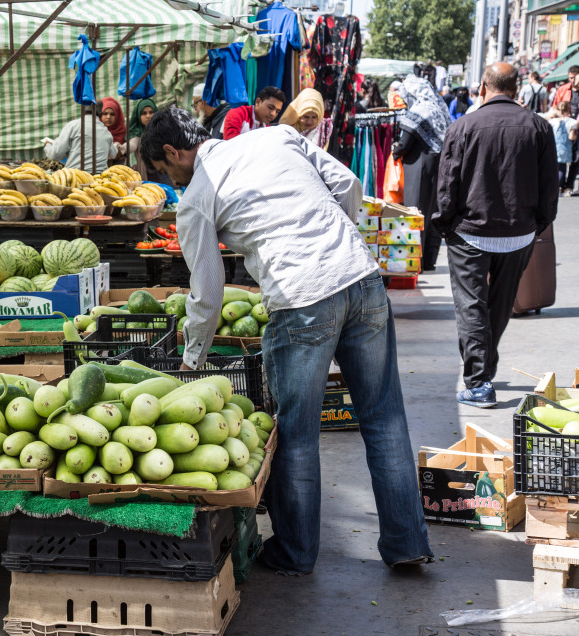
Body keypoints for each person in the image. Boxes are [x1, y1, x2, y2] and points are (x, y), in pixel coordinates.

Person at [140, 107, 433, 574]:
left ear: (174, 152)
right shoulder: (275, 137)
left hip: (301, 300)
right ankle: (407, 543)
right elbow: (348, 186)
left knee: (296, 434)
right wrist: (332, 240)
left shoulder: (197, 196)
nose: (170, 179)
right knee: (384, 417)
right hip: (361, 277)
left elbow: (207, 289)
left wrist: (192, 357)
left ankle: (295, 553)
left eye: (164, 170)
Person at [434, 63, 557, 408]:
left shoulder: (463, 126)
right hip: (519, 233)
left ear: (484, 86)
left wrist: (444, 225)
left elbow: (447, 184)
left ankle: (479, 382)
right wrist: (538, 224)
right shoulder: (539, 127)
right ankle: (483, 371)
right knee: (499, 306)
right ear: (516, 88)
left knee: (472, 306)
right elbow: (550, 188)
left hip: (471, 231)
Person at [392, 75, 452, 272]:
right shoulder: (439, 107)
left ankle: (414, 260)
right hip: (439, 165)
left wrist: (395, 151)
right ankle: (428, 260)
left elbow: (405, 143)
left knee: (415, 211)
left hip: (419, 166)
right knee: (434, 211)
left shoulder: (419, 110)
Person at [43, 101, 115, 171]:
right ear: (100, 112)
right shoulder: (106, 131)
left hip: (76, 177)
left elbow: (55, 154)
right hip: (99, 178)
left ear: (82, 109)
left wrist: (47, 146)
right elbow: (113, 154)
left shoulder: (73, 126)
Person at [126, 99, 172, 185]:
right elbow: (132, 144)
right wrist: (121, 149)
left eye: (151, 112)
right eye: (144, 113)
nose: (148, 116)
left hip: (165, 173)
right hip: (147, 174)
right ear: (138, 116)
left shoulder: (164, 130)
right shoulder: (137, 134)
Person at [543, 101, 578, 194]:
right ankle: (558, 186)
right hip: (565, 148)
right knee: (562, 168)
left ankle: (552, 185)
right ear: (568, 110)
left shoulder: (552, 122)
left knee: (554, 167)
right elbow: (571, 137)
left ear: (558, 110)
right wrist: (575, 136)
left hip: (553, 147)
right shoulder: (573, 122)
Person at [100, 97, 127, 163]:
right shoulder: (95, 131)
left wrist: (122, 148)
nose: (108, 117)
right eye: (105, 113)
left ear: (117, 115)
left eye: (112, 114)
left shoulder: (123, 131)